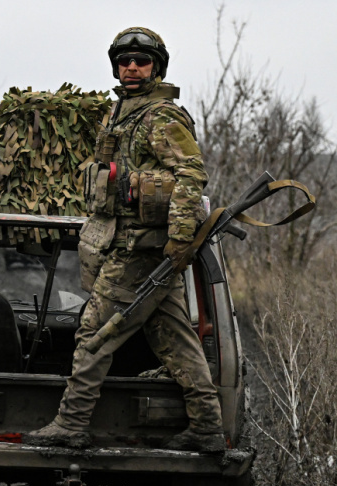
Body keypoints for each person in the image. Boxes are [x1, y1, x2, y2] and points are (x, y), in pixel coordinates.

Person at [24, 27, 225, 453]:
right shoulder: (122, 113)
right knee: (175, 336)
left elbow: (191, 172)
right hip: (133, 244)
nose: (132, 67)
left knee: (94, 331)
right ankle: (208, 428)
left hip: (141, 248)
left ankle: (71, 424)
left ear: (157, 67)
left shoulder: (160, 116)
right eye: (124, 61)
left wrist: (181, 236)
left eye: (142, 61)